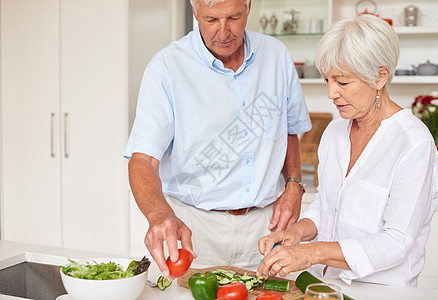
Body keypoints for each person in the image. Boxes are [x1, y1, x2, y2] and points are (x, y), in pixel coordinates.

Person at [124, 0, 311, 279]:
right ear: (194, 11)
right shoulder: (166, 68)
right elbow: (143, 160)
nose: (223, 32)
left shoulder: (276, 55)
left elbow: (289, 128)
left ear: (248, 6)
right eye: (211, 20)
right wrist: (158, 214)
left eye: (233, 17)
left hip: (266, 227)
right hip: (195, 230)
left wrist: (294, 184)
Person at [256, 14, 438, 287]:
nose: (332, 93)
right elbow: (326, 206)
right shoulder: (335, 132)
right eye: (327, 80)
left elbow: (396, 241)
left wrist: (312, 253)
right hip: (324, 286)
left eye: (342, 82)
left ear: (380, 77)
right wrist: (296, 234)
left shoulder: (413, 143)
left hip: (383, 291)